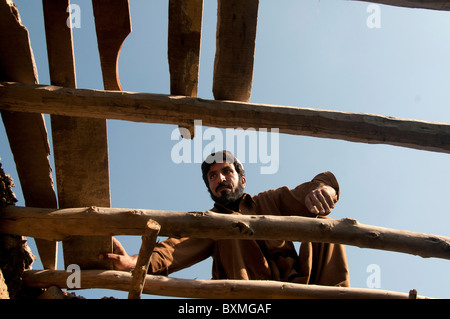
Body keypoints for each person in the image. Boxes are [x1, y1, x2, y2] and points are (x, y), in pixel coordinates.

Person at [102, 150, 350, 287]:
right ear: (209, 187)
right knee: (228, 226)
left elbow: (312, 188)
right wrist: (136, 262)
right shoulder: (210, 222)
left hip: (297, 286)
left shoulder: (269, 201)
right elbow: (174, 249)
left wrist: (324, 189)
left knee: (324, 223)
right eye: (212, 176)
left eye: (226, 172)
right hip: (246, 298)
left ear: (242, 179)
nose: (219, 179)